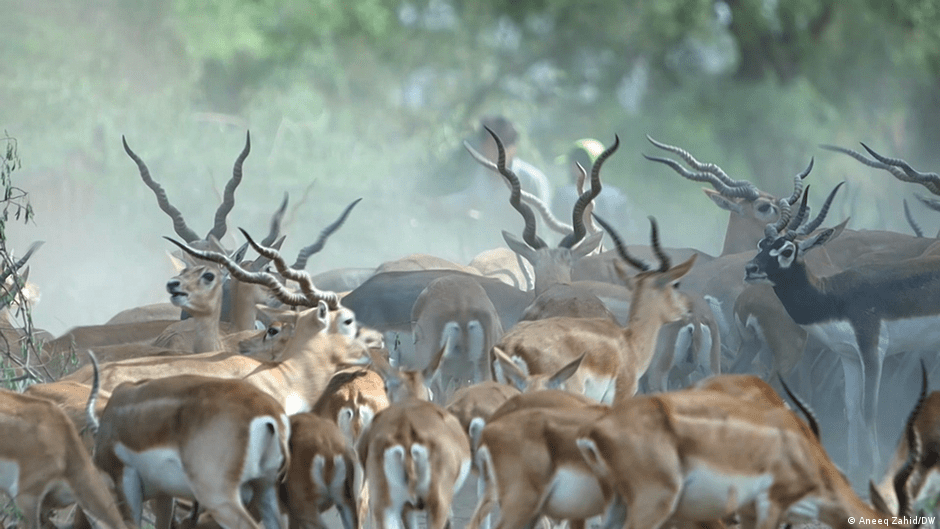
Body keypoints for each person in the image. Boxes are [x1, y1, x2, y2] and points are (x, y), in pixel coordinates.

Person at [433, 116, 553, 254]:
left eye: (499, 147)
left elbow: (542, 230)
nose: (492, 152)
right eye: (489, 146)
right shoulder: (482, 175)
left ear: (512, 148)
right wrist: (441, 204)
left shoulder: (532, 180)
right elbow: (470, 197)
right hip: (488, 256)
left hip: (526, 259)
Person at [552, 138, 635, 236]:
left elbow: (553, 231)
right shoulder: (617, 196)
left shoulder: (563, 194)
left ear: (575, 166)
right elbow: (629, 233)